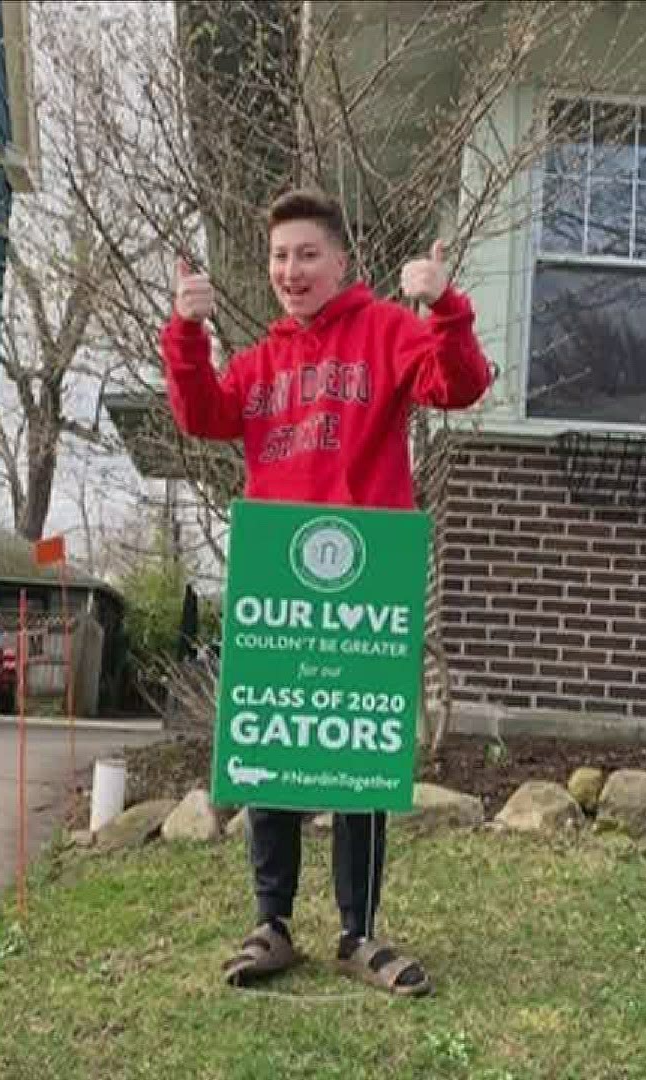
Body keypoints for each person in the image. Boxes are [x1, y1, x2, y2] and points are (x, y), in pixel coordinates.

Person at [161, 187, 491, 997]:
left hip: (364, 575)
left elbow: (460, 385)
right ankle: (270, 923)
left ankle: (359, 933)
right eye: (279, 257)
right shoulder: (261, 359)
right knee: (272, 749)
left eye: (307, 254)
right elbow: (202, 414)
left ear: (341, 260)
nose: (291, 270)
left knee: (357, 755)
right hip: (279, 574)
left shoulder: (386, 330)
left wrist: (444, 306)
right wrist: (187, 329)